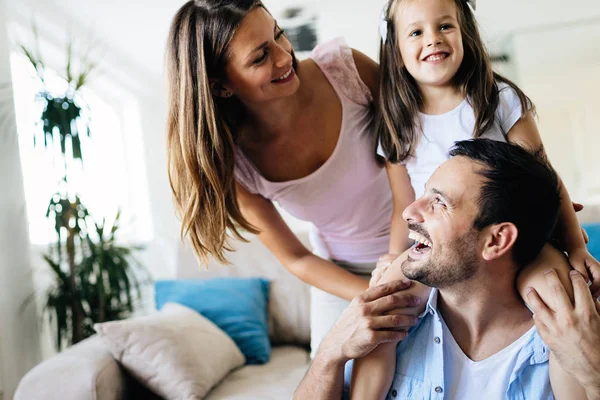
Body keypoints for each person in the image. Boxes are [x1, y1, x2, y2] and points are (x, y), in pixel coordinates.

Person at [351, 0, 600, 396]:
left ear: (464, 32)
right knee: (383, 308)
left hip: (521, 240)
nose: (433, 39)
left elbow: (547, 178)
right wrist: (393, 256)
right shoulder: (397, 120)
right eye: (415, 32)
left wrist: (574, 248)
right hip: (436, 242)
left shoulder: (496, 97)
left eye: (445, 26)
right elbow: (404, 205)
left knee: (559, 296)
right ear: (395, 50)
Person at [165, 0, 428, 357]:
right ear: (221, 85)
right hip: (341, 272)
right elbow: (296, 258)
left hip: (422, 243)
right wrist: (370, 294)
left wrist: (399, 266)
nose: (284, 56)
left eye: (278, 35)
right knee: (330, 375)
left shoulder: (346, 71)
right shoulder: (236, 166)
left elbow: (420, 149)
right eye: (259, 57)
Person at [295, 139, 600, 400]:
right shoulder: (382, 322)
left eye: (439, 202)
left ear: (497, 239)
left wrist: (594, 373)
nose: (408, 212)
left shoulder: (573, 343)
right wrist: (329, 354)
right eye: (425, 194)